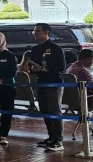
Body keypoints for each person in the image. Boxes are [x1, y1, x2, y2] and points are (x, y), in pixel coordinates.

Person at [20, 23, 66, 152]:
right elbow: (34, 68)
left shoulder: (56, 48)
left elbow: (61, 68)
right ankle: (51, 136)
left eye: (38, 31)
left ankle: (58, 139)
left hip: (54, 83)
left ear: (46, 32)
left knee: (54, 110)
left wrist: (44, 69)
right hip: (41, 82)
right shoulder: (35, 50)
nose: (35, 33)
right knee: (45, 110)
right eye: (34, 31)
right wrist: (32, 69)